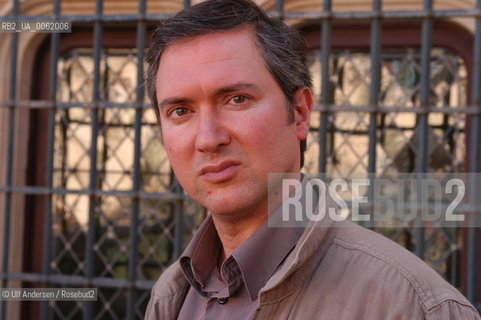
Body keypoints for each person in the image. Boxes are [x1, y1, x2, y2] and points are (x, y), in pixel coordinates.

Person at [144, 0, 480, 319]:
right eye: (181, 111)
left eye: (236, 99)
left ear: (301, 112)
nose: (208, 139)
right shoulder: (172, 296)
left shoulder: (411, 305)